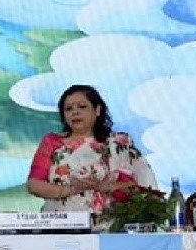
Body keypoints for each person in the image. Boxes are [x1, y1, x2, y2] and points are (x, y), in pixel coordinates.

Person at [27, 85, 157, 220]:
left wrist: (105, 187)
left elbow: (139, 186)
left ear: (97, 110)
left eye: (82, 106)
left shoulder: (119, 142)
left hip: (111, 224)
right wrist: (72, 189)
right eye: (68, 109)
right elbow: (34, 185)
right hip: (61, 222)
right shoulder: (51, 141)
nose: (75, 112)